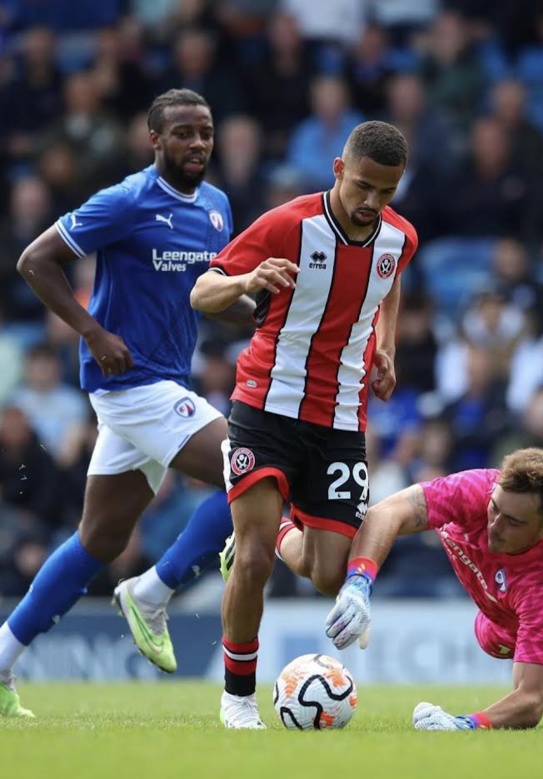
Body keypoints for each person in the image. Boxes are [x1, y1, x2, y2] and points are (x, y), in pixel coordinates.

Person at [0, 89, 249, 718]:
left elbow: (215, 295)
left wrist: (266, 304)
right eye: (184, 134)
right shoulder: (128, 200)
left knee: (100, 537)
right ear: (155, 140)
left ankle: (1, 657)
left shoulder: (217, 208)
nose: (198, 144)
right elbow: (37, 261)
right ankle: (154, 591)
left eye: (206, 133)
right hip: (131, 383)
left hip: (168, 384)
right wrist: (91, 331)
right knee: (253, 470)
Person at [191, 120, 418, 729]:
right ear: (339, 170)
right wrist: (247, 279)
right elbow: (203, 292)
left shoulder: (400, 238)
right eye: (364, 186)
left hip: (342, 419)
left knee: (326, 574)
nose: (372, 202)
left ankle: (255, 536)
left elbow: (388, 285)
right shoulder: (289, 223)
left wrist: (386, 347)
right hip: (266, 406)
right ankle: (238, 698)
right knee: (259, 562)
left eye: (386, 192)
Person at [325, 447, 543, 731]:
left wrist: (465, 724)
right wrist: (359, 582)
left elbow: (530, 702)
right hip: (509, 591)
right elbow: (386, 513)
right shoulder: (478, 490)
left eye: (512, 522)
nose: (494, 524)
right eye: (495, 509)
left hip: (537, 592)